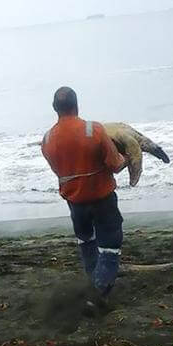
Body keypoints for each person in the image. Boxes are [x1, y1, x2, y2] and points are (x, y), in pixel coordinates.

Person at [41, 86, 128, 309]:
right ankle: (96, 294)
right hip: (102, 200)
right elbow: (116, 165)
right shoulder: (95, 131)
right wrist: (128, 156)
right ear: (77, 105)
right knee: (110, 245)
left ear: (54, 108)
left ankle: (93, 284)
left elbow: (59, 171)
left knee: (86, 242)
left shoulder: (47, 140)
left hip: (75, 205)